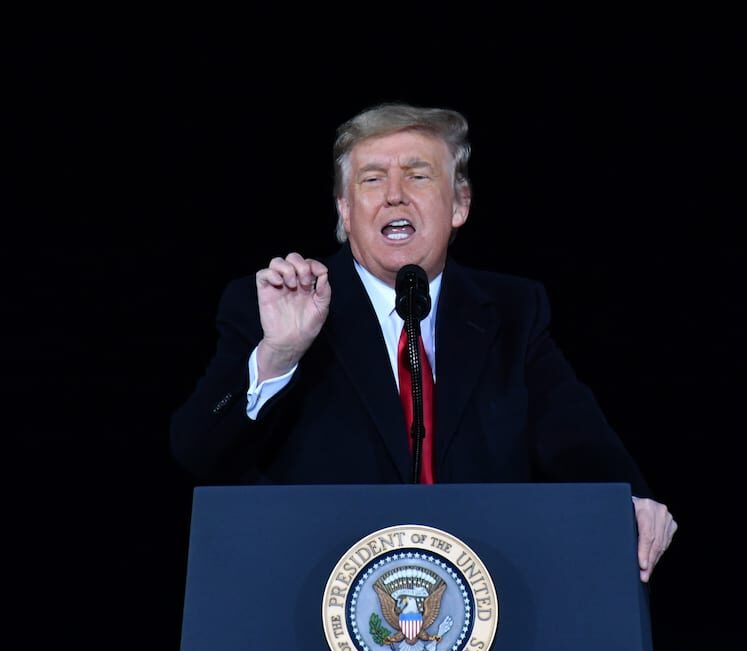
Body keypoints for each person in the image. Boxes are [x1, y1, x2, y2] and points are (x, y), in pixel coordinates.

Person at [170, 101, 676, 582]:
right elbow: (198, 451)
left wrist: (629, 500)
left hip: (486, 594)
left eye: (417, 175)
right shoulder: (274, 304)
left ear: (459, 204)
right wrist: (280, 353)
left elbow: (577, 440)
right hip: (316, 597)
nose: (394, 194)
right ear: (345, 210)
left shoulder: (512, 312)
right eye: (372, 179)